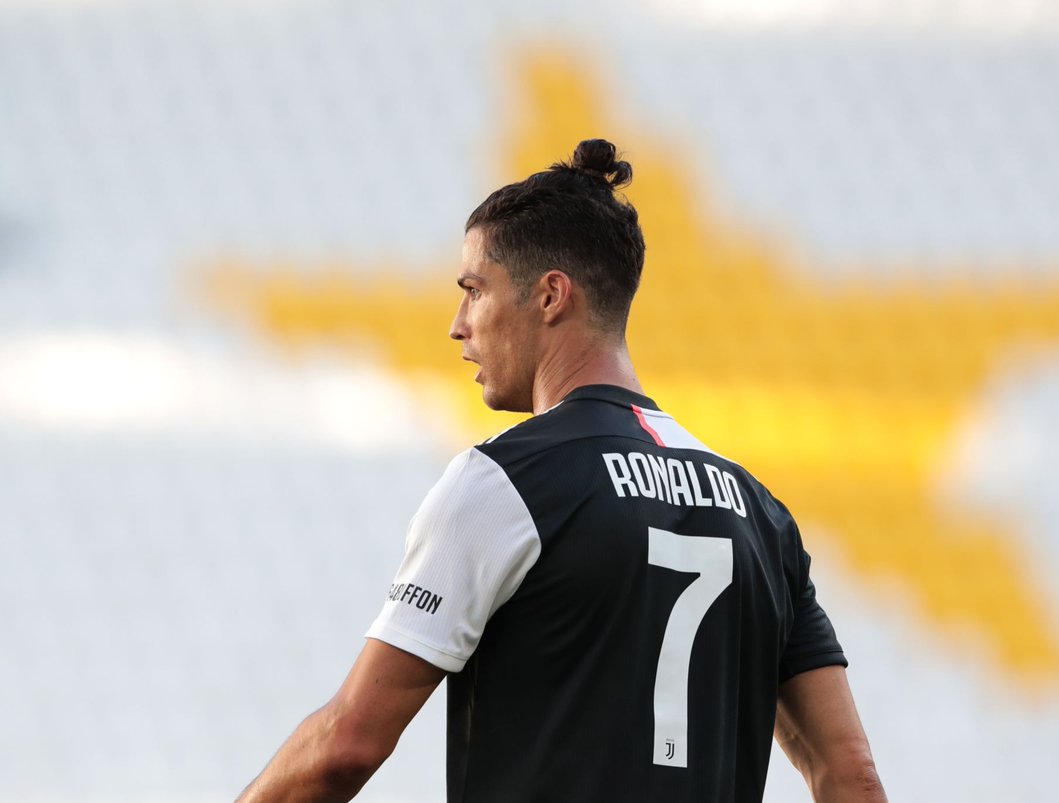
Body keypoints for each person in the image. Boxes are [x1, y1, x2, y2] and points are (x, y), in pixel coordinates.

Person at [237, 140, 886, 803]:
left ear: (550, 295)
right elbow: (851, 774)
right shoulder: (761, 513)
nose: (458, 325)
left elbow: (346, 745)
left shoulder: (505, 482)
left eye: (474, 291)